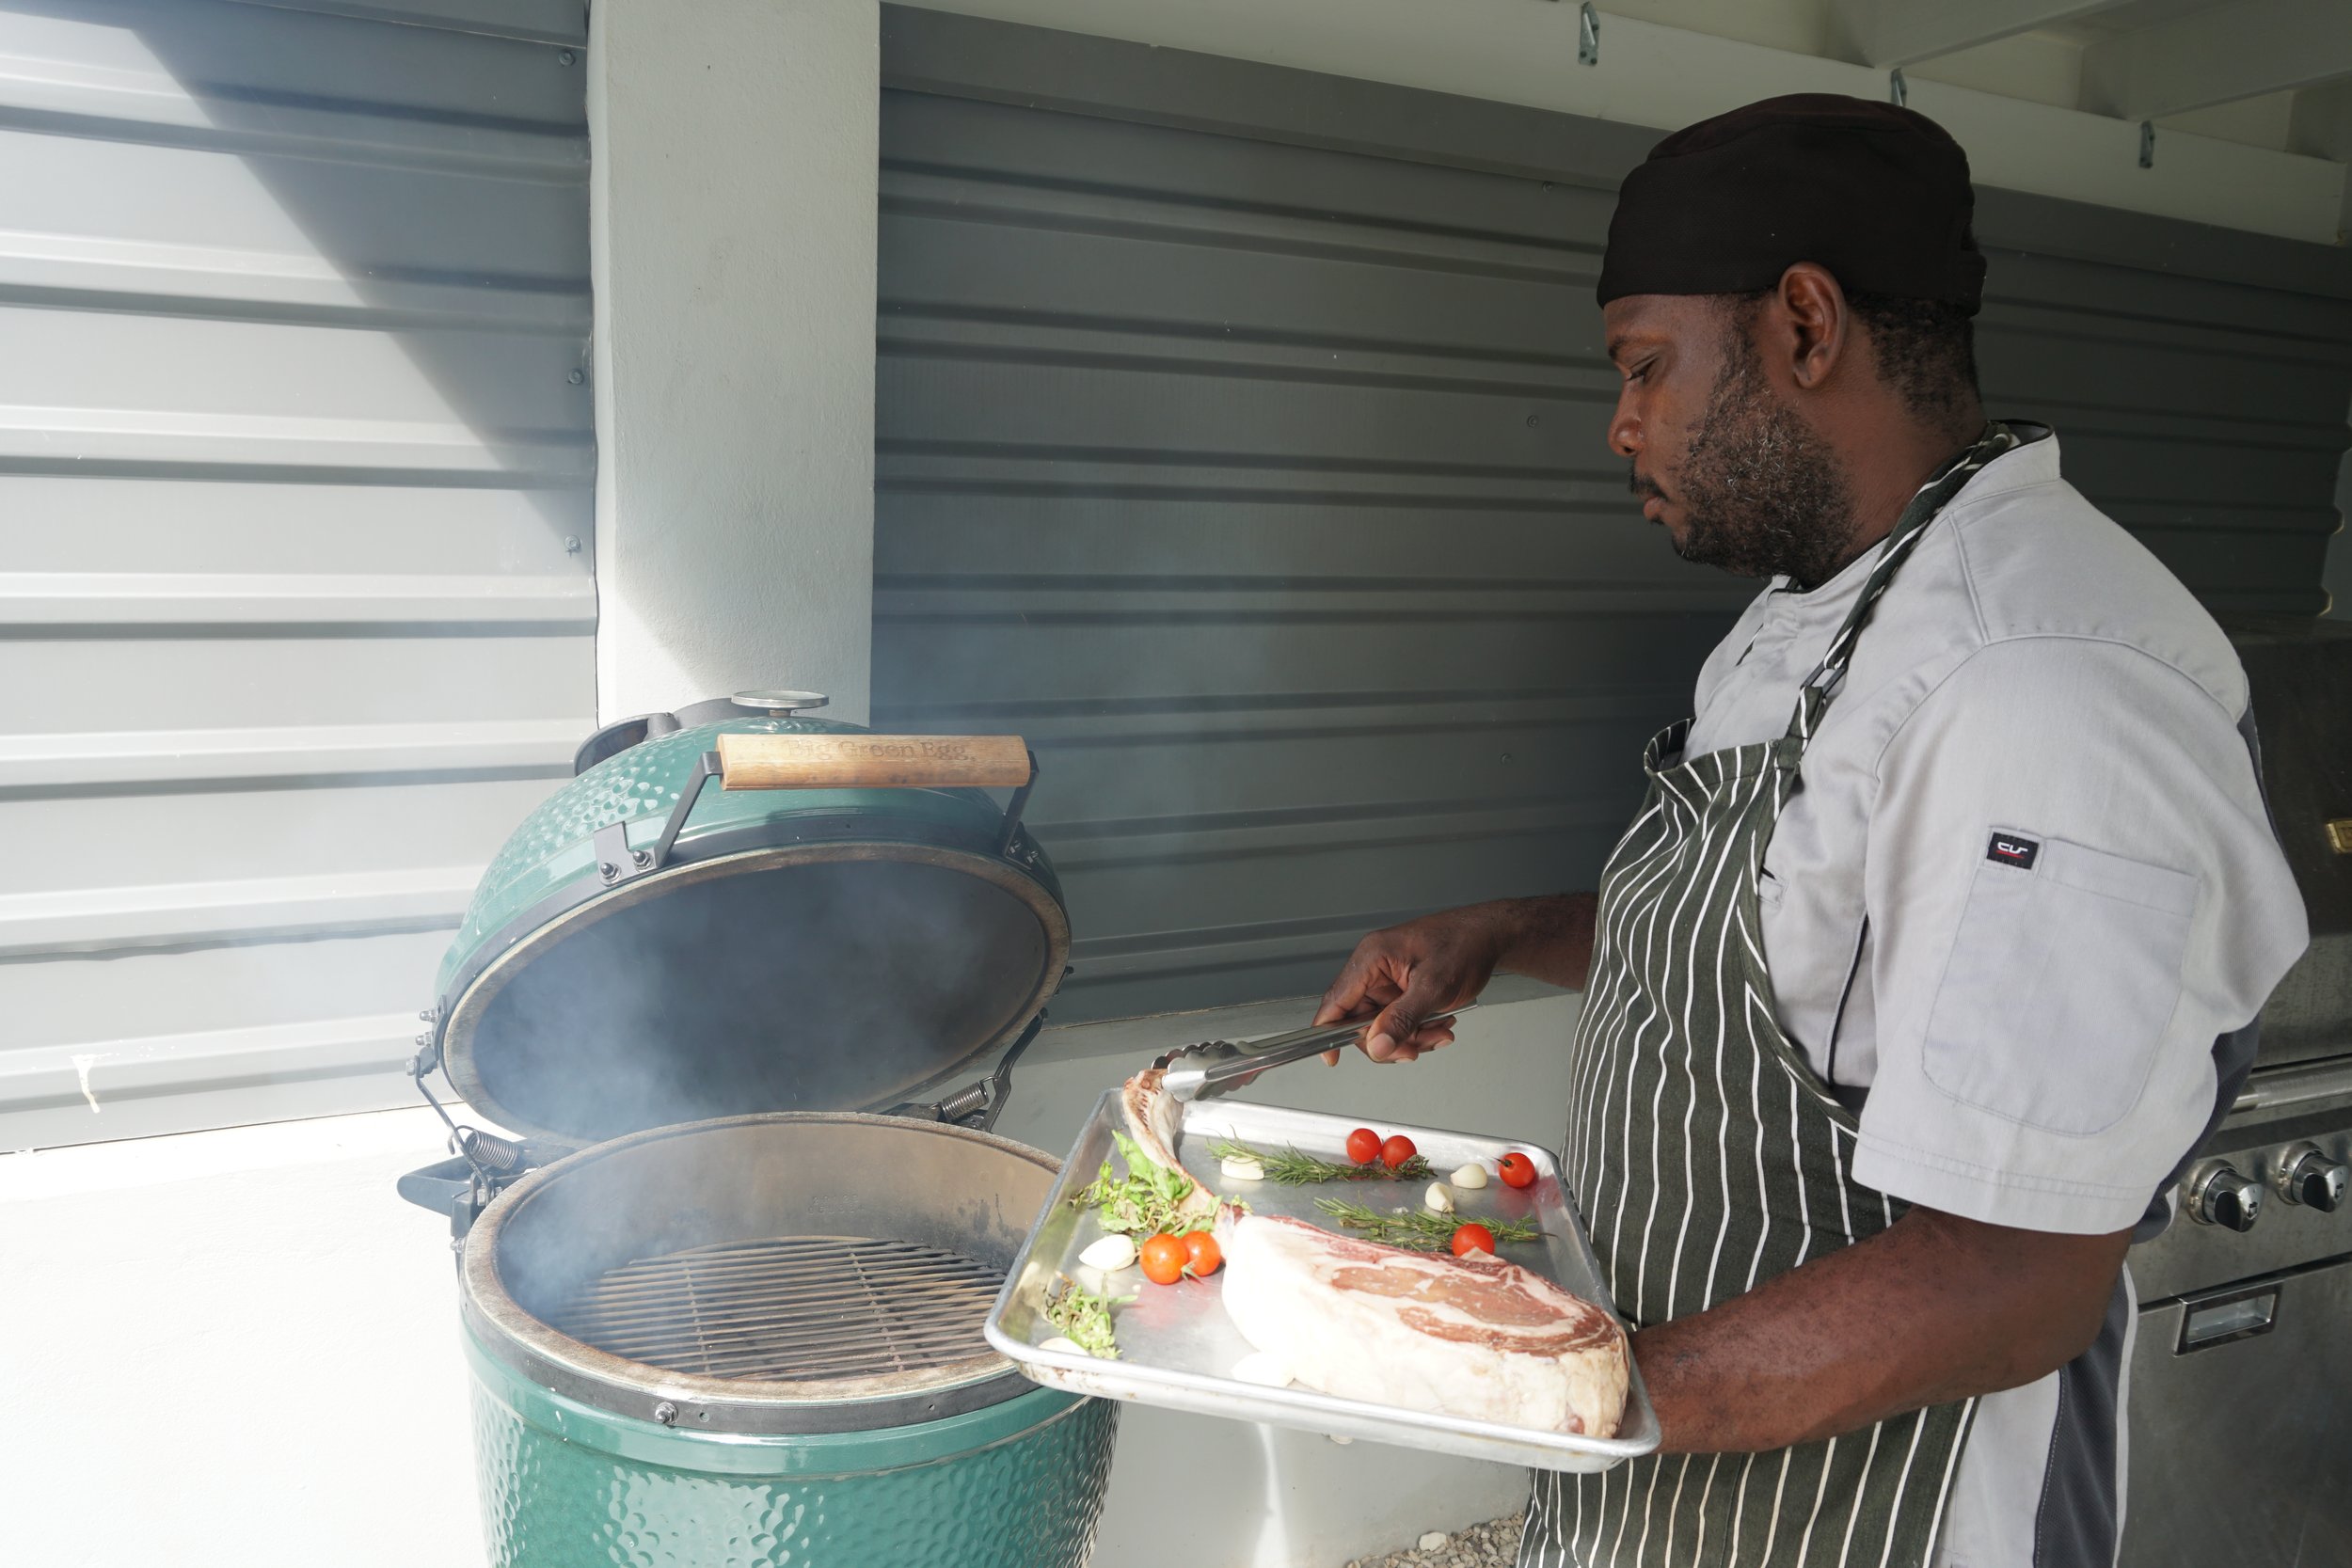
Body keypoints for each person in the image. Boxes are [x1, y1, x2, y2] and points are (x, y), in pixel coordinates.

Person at [1311, 95, 2308, 1568]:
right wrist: (1510, 937)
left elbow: (2015, 1276)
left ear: (1803, 323)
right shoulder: (1818, 610)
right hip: (1662, 1484)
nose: (1621, 423)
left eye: (1646, 367)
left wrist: (1540, 1375)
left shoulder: (2043, 689)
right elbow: (1795, 928)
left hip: (1862, 1524)